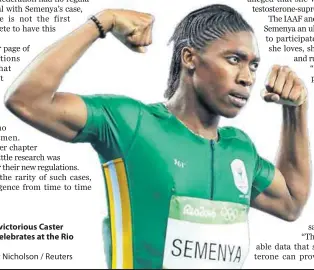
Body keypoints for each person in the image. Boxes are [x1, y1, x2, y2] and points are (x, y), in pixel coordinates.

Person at [4, 4, 311, 269]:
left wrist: (295, 109)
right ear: (189, 58)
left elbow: (291, 203)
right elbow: (28, 100)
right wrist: (102, 21)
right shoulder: (131, 123)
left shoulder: (239, 148)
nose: (247, 77)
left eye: (253, 65)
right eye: (234, 59)